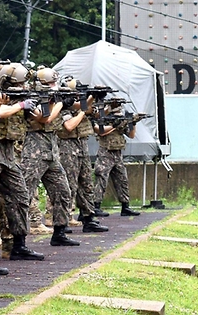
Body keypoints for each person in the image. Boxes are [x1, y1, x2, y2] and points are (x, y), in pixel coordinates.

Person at [0, 62, 44, 261]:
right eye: (21, 84)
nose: (23, 88)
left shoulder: (21, 98)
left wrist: (34, 104)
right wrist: (18, 105)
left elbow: (42, 119)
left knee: (20, 197)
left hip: (9, 153)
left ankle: (18, 245)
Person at [22, 67, 80, 247]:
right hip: (33, 150)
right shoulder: (30, 99)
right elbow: (44, 118)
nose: (53, 86)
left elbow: (77, 106)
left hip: (51, 150)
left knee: (63, 192)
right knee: (24, 194)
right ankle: (17, 241)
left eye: (55, 83)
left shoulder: (52, 99)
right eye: (49, 84)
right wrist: (60, 103)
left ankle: (60, 231)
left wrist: (79, 101)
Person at [57, 77, 109, 234]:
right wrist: (82, 112)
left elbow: (84, 107)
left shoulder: (76, 105)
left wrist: (94, 95)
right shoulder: (62, 106)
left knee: (86, 183)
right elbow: (69, 126)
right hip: (67, 146)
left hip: (81, 145)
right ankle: (63, 221)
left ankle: (88, 217)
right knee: (69, 185)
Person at [94, 100, 142, 217]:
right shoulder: (103, 119)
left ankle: (125, 206)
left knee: (122, 180)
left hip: (118, 153)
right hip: (106, 152)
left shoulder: (121, 120)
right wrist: (115, 124)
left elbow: (131, 135)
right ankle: (96, 206)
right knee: (102, 179)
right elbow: (101, 132)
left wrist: (132, 123)